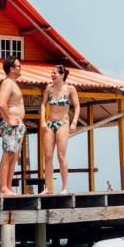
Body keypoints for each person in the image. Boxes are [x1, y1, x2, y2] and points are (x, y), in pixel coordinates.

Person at [40, 64, 80, 194]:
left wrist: (74, 122)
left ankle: (64, 187)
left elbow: (77, 106)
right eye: (51, 73)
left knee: (61, 156)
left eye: (55, 73)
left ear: (62, 75)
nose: (52, 75)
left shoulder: (70, 89)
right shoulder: (49, 88)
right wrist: (43, 120)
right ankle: (48, 187)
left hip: (63, 123)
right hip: (50, 123)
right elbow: (43, 104)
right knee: (47, 156)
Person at [0, 57, 25, 196]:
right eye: (18, 66)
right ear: (12, 69)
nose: (21, 67)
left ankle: (8, 186)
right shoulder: (7, 83)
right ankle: (3, 188)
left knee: (14, 156)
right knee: (8, 154)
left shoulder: (13, 83)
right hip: (11, 125)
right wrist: (9, 120)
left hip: (17, 126)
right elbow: (1, 103)